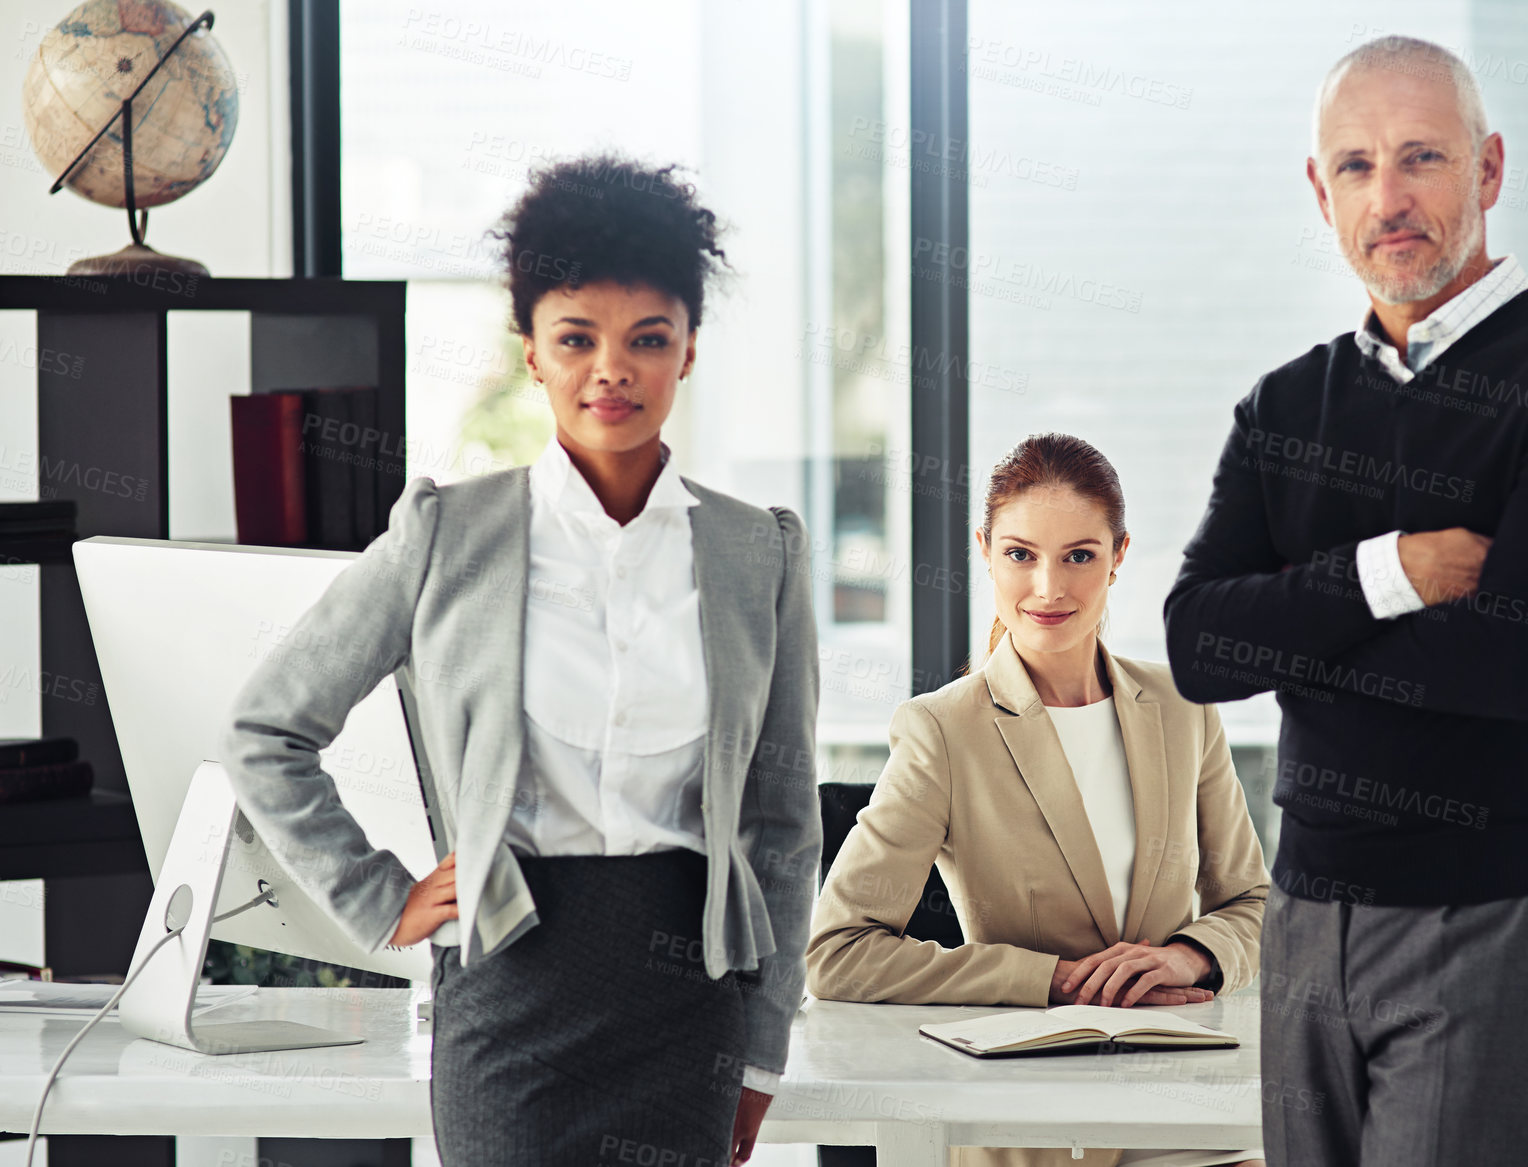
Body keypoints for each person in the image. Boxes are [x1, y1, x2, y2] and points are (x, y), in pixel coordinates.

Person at [220, 152, 822, 1167]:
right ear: (532, 351)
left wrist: (759, 1056)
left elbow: (781, 825)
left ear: (688, 352)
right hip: (507, 998)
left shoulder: (758, 552)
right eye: (575, 338)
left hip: (688, 1010)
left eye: (647, 340)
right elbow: (266, 730)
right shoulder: (447, 536)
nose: (610, 371)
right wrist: (378, 897)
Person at [1163, 36, 1528, 1167]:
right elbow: (1196, 646)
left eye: (1419, 157)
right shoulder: (1281, 405)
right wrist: (1387, 572)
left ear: (1485, 170)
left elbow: (1513, 670)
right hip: (1303, 921)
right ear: (1317, 190)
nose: (1385, 198)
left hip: (1494, 914)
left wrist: (1290, 630)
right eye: (1352, 165)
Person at [807, 433, 1269, 1167]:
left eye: (1079, 555)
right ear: (985, 550)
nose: (1049, 587)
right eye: (1021, 554)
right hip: (1033, 1130)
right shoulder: (944, 730)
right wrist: (1047, 981)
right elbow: (839, 953)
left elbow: (1254, 902)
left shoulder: (1185, 709)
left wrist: (1191, 955)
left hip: (1186, 1117)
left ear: (1119, 555)